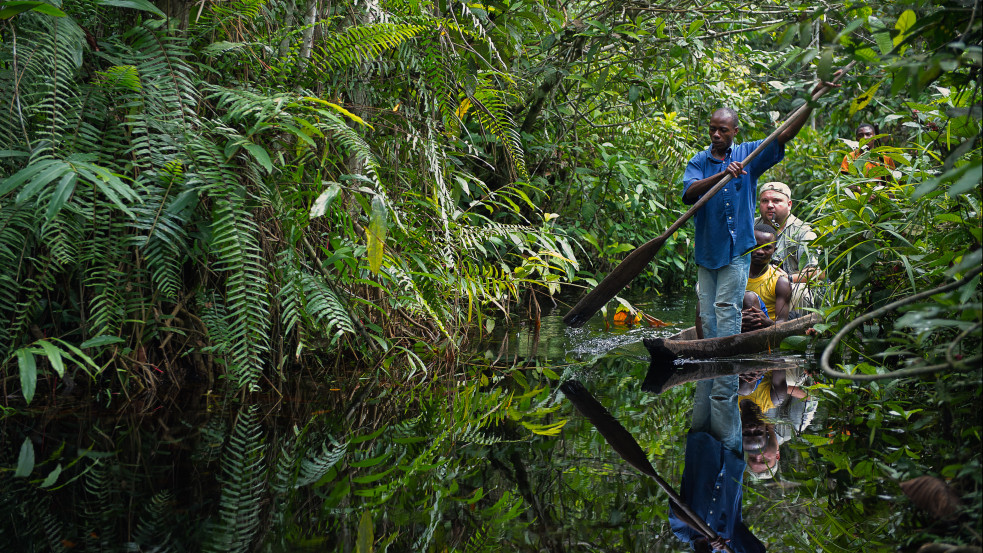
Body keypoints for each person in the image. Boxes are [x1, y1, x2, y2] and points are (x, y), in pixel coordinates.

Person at [683, 98, 817, 341]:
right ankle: (710, 354)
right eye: (712, 129)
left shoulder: (748, 154)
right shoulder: (699, 161)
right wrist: (722, 174)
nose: (716, 135)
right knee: (707, 312)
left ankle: (726, 357)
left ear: (734, 132)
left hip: (737, 250)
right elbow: (689, 193)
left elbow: (785, 134)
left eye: (723, 130)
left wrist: (810, 103)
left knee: (726, 307)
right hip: (707, 250)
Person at [669, 374, 766, 553]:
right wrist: (718, 543)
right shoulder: (728, 541)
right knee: (723, 394)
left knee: (705, 379)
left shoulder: (683, 533)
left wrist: (706, 534)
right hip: (727, 453)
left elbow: (677, 509)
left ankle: (708, 349)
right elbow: (757, 551)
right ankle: (730, 350)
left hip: (699, 445)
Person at [741, 223, 792, 331]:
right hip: (737, 322)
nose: (759, 252)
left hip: (765, 330)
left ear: (774, 249)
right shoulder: (736, 274)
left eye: (766, 248)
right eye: (755, 246)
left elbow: (782, 323)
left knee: (749, 298)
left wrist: (765, 320)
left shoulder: (781, 282)